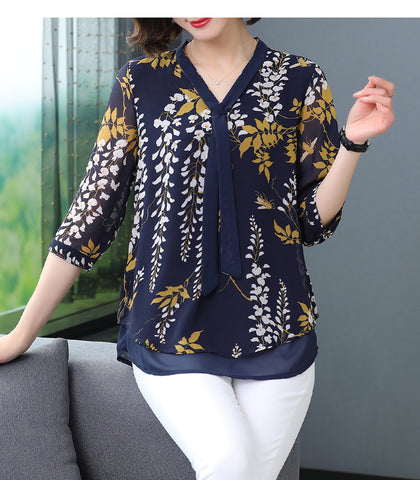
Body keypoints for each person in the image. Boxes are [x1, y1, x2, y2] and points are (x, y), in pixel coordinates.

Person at [0, 17, 394, 480]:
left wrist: (352, 144)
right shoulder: (140, 83)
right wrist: (21, 335)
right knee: (229, 462)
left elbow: (309, 222)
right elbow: (90, 215)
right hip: (169, 326)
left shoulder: (301, 78)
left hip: (277, 327)